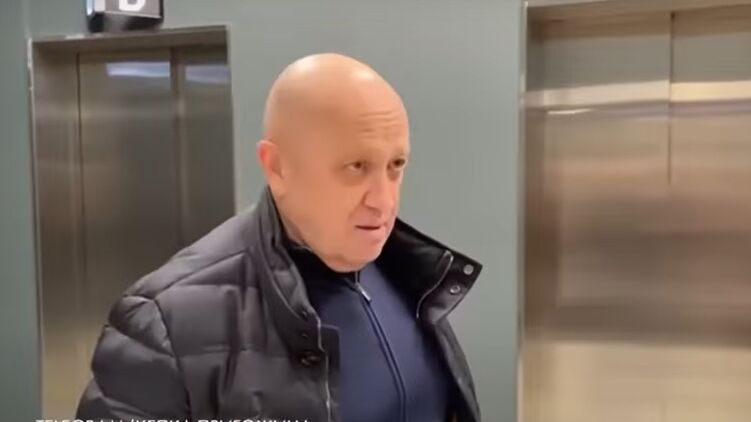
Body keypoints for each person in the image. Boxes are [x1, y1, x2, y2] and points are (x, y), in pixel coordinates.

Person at [76, 53, 483, 422]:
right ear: (277, 167)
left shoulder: (410, 276)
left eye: (395, 165)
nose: (384, 201)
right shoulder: (164, 324)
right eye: (356, 166)